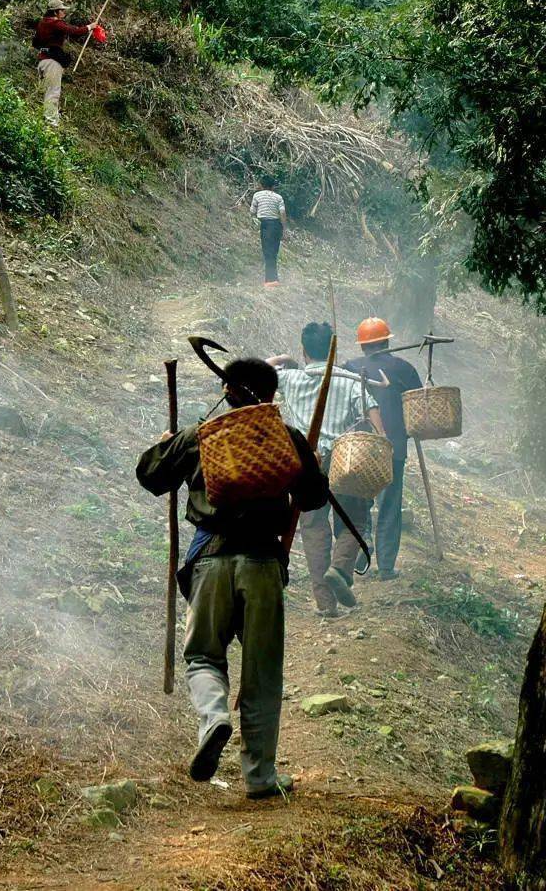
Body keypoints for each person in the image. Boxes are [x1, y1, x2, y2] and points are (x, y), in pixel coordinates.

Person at [135, 357, 327, 799]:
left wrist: (166, 444)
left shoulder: (200, 436)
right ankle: (260, 777)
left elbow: (149, 475)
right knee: (262, 672)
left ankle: (214, 718)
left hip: (210, 560)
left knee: (203, 656)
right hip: (262, 562)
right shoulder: (284, 436)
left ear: (227, 391)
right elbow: (314, 498)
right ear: (272, 394)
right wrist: (309, 461)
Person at [268, 322, 384, 616]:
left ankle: (325, 604)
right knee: (355, 520)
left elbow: (256, 372)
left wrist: (283, 359)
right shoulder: (348, 381)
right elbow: (374, 420)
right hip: (344, 460)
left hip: (305, 463)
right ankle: (341, 568)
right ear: (333, 349)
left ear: (304, 349)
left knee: (313, 528)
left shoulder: (289, 379)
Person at [344, 317, 422, 580]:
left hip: (358, 449)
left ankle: (359, 551)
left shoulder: (349, 368)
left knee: (360, 502)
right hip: (392, 449)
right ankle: (386, 566)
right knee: (389, 504)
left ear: (362, 345)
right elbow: (416, 408)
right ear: (387, 341)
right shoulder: (405, 369)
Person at [32, 0, 93, 127]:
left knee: (47, 91)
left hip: (42, 62)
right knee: (53, 91)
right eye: (62, 10)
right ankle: (50, 122)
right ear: (55, 12)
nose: (64, 12)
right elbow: (73, 31)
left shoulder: (42, 23)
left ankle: (46, 119)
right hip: (52, 63)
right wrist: (89, 27)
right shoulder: (55, 23)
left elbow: (35, 43)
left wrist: (47, 49)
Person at [249, 176, 288, 287]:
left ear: (261, 185)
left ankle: (270, 281)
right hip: (277, 226)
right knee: (274, 252)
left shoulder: (257, 195)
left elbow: (252, 211)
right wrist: (284, 229)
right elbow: (282, 213)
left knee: (267, 252)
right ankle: (274, 279)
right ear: (273, 186)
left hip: (265, 225)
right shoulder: (278, 197)